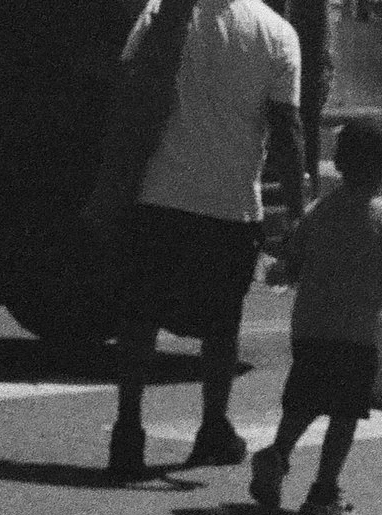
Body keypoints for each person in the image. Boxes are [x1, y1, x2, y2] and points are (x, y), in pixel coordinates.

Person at [94, 0, 304, 482]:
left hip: (158, 192)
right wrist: (297, 214)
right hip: (229, 205)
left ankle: (128, 430)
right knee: (221, 324)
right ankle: (212, 426)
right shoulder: (276, 32)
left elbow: (127, 91)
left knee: (140, 316)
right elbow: (287, 132)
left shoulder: (160, 12)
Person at [246, 117, 382, 515]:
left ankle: (277, 455)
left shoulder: (320, 212)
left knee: (303, 401)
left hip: (309, 328)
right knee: (344, 415)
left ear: (339, 164)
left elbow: (291, 262)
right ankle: (324, 489)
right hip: (355, 334)